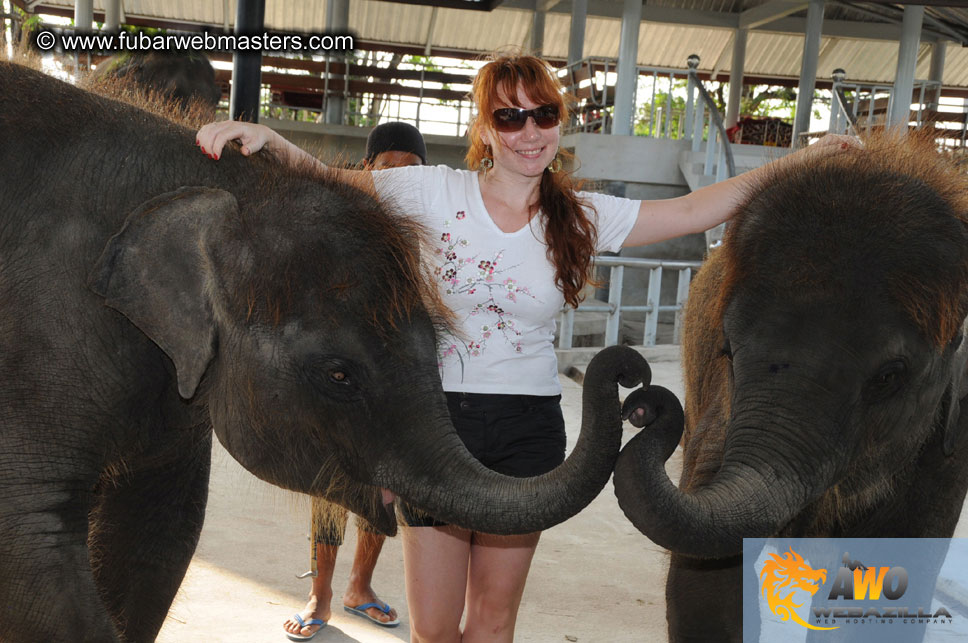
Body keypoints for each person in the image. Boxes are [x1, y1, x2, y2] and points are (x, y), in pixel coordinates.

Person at [196, 54, 857, 643]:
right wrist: (268, 138)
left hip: (528, 430)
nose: (530, 131)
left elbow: (690, 212)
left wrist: (797, 161)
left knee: (491, 624)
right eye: (510, 117)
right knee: (433, 627)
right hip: (436, 427)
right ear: (485, 128)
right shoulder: (432, 191)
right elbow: (329, 179)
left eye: (543, 113)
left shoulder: (582, 216)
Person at [280, 121, 427, 642]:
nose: (402, 182)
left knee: (384, 487)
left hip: (396, 381)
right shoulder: (338, 216)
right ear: (369, 168)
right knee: (331, 483)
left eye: (413, 171)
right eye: (391, 169)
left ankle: (358, 588)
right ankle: (319, 595)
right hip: (342, 375)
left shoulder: (428, 227)